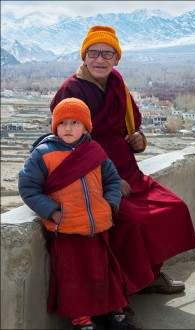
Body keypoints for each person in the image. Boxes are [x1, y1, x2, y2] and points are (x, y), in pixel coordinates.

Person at [49, 25, 195, 329]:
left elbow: (133, 121)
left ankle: (150, 276)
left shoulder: (117, 82)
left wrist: (139, 139)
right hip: (93, 175)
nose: (100, 59)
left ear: (117, 59)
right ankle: (120, 299)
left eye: (108, 53)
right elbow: (67, 141)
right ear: (85, 56)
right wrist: (109, 180)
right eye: (94, 52)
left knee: (173, 208)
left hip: (128, 168)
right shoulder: (71, 90)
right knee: (128, 223)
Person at [19, 97, 131, 330]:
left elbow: (112, 181)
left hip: (97, 226)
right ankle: (81, 316)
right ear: (55, 127)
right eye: (62, 123)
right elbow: (28, 187)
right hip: (67, 228)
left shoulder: (95, 151)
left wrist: (110, 206)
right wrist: (52, 212)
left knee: (103, 271)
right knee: (74, 276)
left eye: (75, 123)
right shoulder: (43, 154)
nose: (68, 128)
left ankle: (112, 307)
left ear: (86, 127)